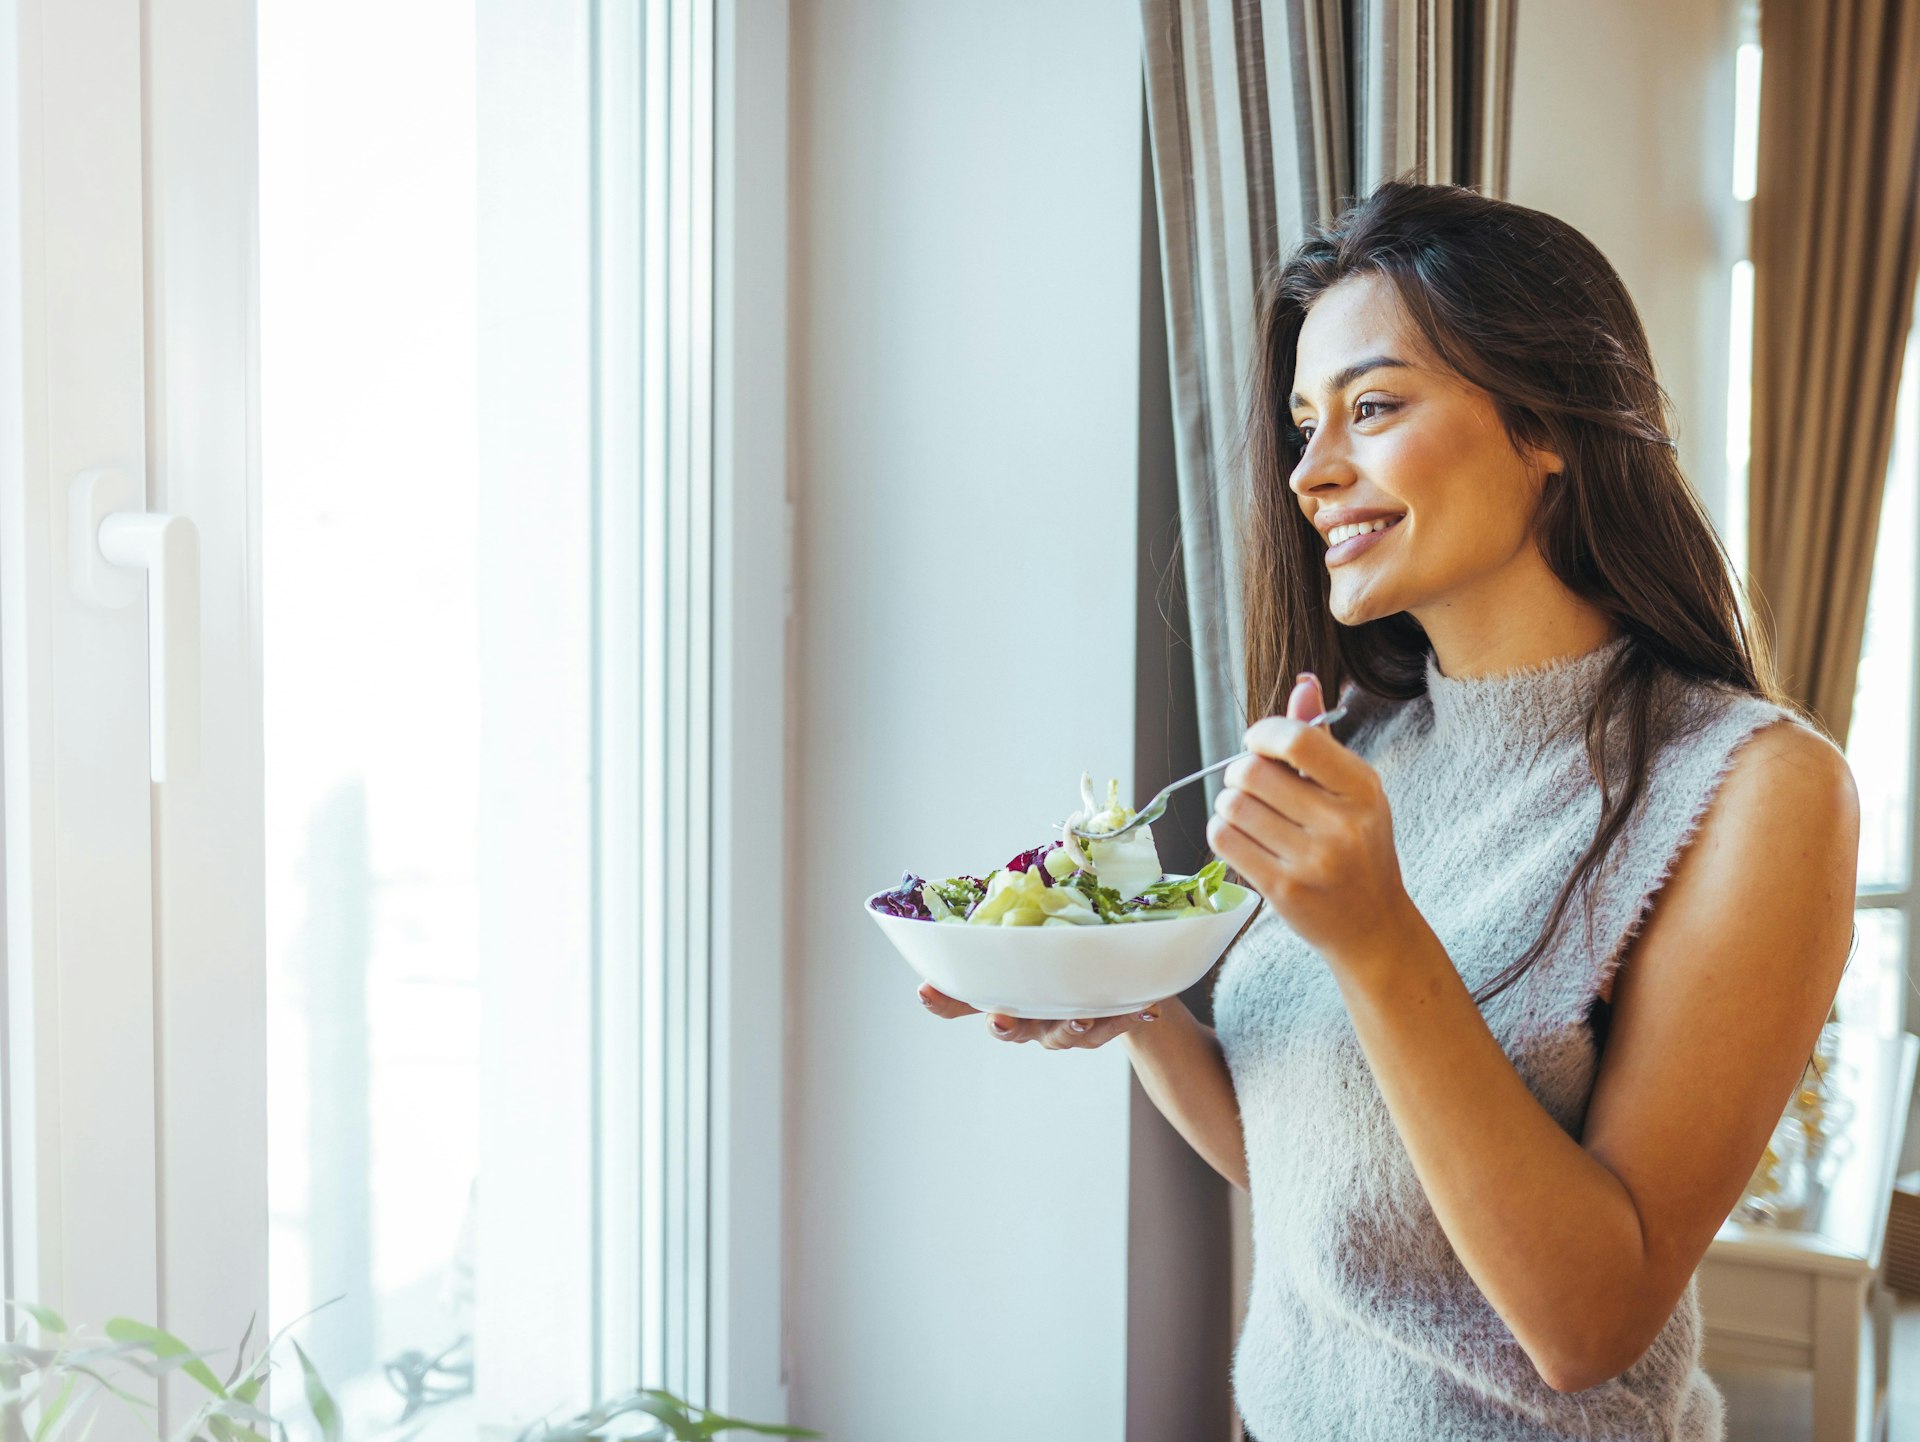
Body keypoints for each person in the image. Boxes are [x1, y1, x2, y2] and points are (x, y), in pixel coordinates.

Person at [916, 181, 1860, 1440]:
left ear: (1547, 422)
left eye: (1371, 407)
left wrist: (1376, 933)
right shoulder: (1366, 745)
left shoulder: (1754, 788)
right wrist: (1123, 993)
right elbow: (1331, 1174)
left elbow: (1589, 1322)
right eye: (1305, 424)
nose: (1311, 473)